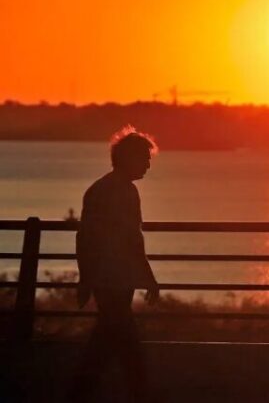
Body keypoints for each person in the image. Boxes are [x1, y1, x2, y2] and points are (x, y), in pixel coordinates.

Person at [70, 125, 160, 402]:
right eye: (144, 159)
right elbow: (133, 238)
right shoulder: (123, 192)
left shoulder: (100, 189)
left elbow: (85, 237)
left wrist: (86, 277)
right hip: (117, 278)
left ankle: (86, 391)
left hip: (106, 277)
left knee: (111, 336)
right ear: (128, 158)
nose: (147, 165)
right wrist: (149, 277)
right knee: (121, 339)